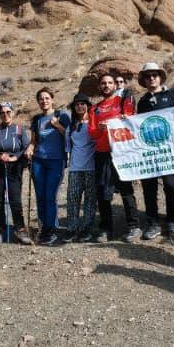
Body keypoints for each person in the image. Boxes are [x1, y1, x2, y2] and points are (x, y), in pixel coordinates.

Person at [134, 61, 174, 240]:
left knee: (171, 186)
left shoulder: (172, 96)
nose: (151, 78)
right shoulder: (142, 101)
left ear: (160, 77)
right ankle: (153, 222)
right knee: (149, 188)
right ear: (144, 80)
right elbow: (139, 126)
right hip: (150, 152)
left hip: (169, 152)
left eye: (154, 75)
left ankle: (173, 221)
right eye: (148, 76)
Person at [89, 71, 140, 242]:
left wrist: (124, 118)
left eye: (109, 83)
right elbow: (92, 134)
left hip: (121, 152)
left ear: (114, 85)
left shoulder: (123, 101)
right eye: (103, 83)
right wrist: (100, 130)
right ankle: (106, 229)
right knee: (103, 192)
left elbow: (131, 120)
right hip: (102, 154)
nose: (106, 86)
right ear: (99, 86)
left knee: (126, 190)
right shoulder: (94, 109)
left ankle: (134, 227)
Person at [0, 101, 34, 244]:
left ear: (12, 112)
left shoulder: (19, 129)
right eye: (2, 113)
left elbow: (25, 147)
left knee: (15, 199)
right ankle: (0, 230)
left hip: (14, 167)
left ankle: (20, 229)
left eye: (8, 112)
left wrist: (15, 157)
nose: (5, 115)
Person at [28, 88, 70, 243]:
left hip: (56, 160)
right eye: (41, 99)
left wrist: (57, 125)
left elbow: (68, 134)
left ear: (52, 99)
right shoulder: (36, 119)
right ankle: (43, 227)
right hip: (38, 160)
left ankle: (51, 229)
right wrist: (30, 149)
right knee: (40, 196)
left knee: (50, 196)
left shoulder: (62, 116)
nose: (44, 101)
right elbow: (33, 141)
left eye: (47, 98)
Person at [65, 93, 98, 242]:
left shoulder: (94, 123)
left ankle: (87, 229)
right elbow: (68, 148)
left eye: (82, 103)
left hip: (91, 167)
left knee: (90, 200)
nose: (80, 106)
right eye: (77, 104)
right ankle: (72, 228)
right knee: (72, 199)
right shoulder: (70, 127)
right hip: (75, 168)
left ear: (88, 105)